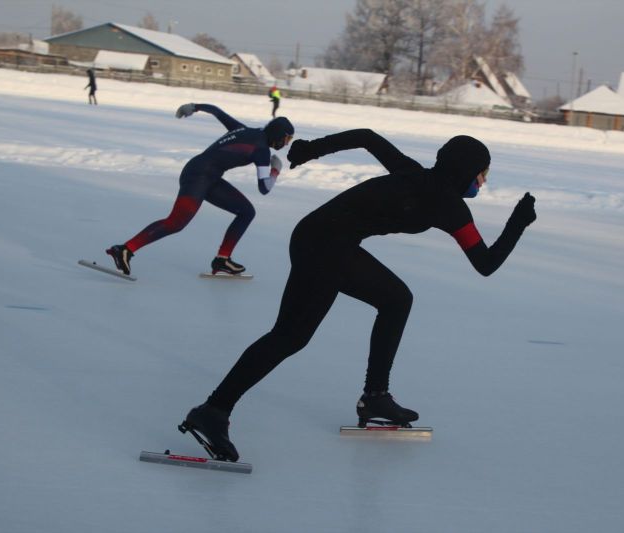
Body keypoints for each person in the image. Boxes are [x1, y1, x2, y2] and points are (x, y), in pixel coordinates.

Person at [180, 129, 537, 461]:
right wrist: (517, 223)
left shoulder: (414, 174)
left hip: (319, 237)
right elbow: (486, 263)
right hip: (325, 244)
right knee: (302, 332)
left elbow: (367, 138)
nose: (483, 182)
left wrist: (310, 150)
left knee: (378, 306)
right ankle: (215, 410)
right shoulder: (450, 207)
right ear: (467, 171)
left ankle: (373, 397)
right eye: (482, 173)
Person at [106, 104, 294, 276]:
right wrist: (275, 170)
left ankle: (222, 259)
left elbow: (217, 111)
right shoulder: (261, 151)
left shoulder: (244, 130)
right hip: (198, 177)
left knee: (246, 212)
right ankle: (125, 249)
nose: (286, 144)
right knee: (176, 222)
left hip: (208, 177)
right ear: (279, 135)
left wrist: (194, 107)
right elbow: (264, 188)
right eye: (287, 139)